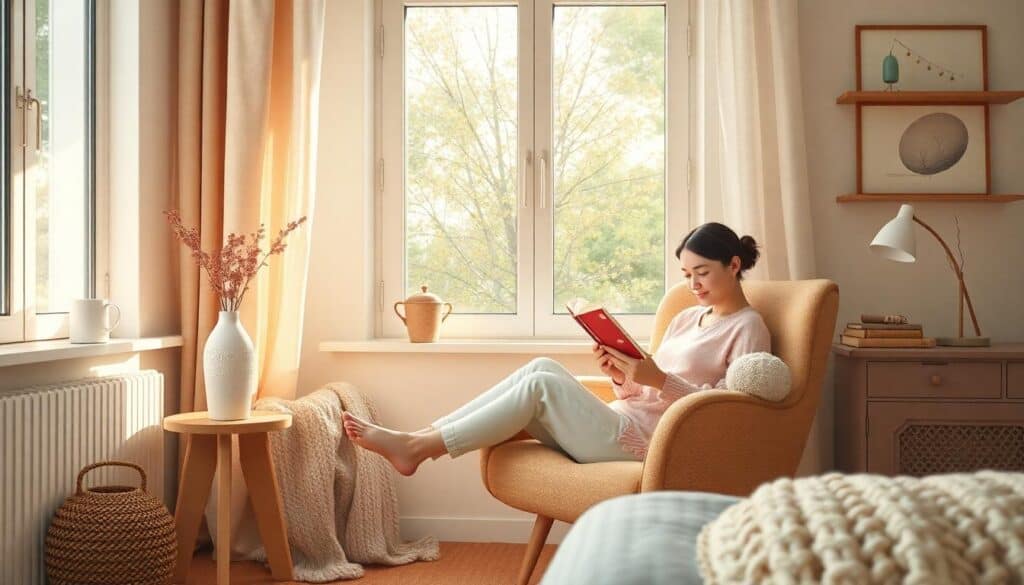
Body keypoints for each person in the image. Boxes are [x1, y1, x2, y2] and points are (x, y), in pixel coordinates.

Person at [342, 222, 772, 476]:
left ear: (734, 266)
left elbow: (729, 418)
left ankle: (418, 449)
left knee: (540, 385)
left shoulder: (748, 328)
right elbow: (646, 394)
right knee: (541, 367)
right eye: (685, 274)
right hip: (620, 423)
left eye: (702, 273)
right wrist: (623, 379)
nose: (692, 285)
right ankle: (419, 438)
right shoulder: (685, 317)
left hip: (652, 445)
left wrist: (659, 379)